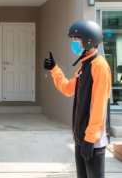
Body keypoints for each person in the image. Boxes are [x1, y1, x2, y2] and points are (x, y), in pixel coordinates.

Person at [44, 20, 111, 178]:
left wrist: (90, 139)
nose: (73, 44)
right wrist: (54, 69)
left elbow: (99, 106)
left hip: (93, 141)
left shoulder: (100, 67)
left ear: (88, 40)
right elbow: (68, 89)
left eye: (76, 40)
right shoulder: (85, 66)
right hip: (81, 137)